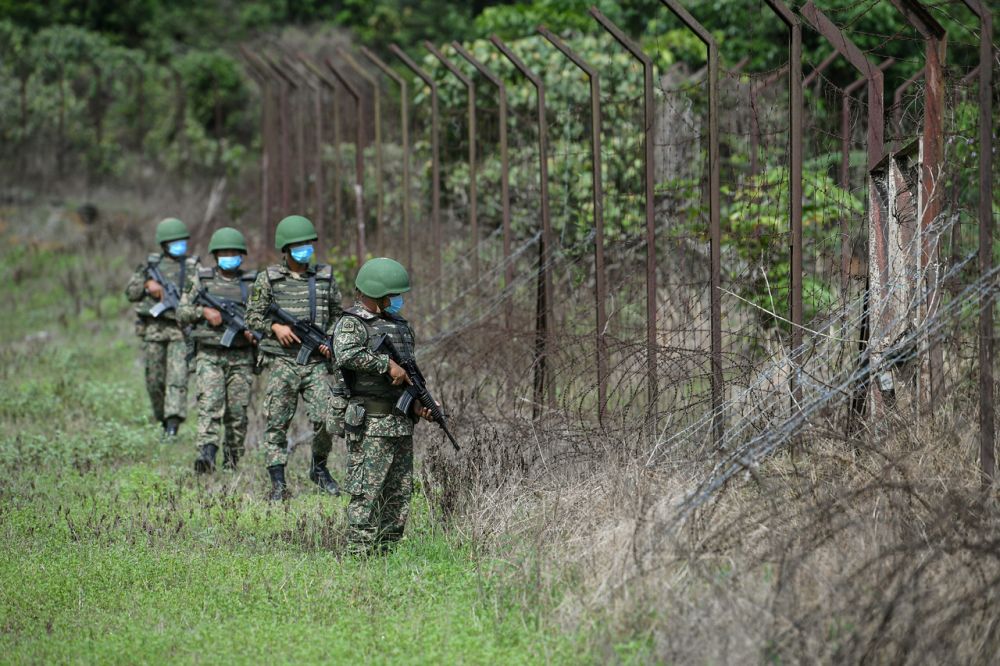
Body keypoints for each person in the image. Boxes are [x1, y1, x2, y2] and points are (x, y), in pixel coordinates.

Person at [333, 257, 435, 555]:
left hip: (400, 422)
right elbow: (346, 354)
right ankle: (359, 553)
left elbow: (407, 374)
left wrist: (417, 404)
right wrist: (385, 364)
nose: (397, 300)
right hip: (370, 423)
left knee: (399, 492)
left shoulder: (400, 326)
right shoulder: (351, 323)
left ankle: (386, 552)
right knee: (367, 491)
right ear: (377, 293)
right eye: (392, 294)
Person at [245, 215, 345, 501]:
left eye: (307, 244)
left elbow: (338, 315)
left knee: (327, 417)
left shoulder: (324, 277)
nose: (305, 249)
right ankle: (278, 482)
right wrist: (274, 327)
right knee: (276, 422)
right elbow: (252, 316)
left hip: (315, 362)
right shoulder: (269, 278)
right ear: (286, 248)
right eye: (298, 245)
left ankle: (319, 468)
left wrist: (329, 340)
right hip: (283, 362)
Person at [177, 227, 257, 473]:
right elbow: (181, 312)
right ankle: (206, 455)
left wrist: (254, 331)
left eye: (234, 252)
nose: (229, 257)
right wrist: (203, 312)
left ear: (241, 255)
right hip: (209, 354)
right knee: (209, 406)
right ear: (215, 254)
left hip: (241, 356)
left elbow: (264, 315)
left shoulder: (252, 283)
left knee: (237, 413)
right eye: (224, 253)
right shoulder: (201, 280)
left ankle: (232, 462)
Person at [124, 217, 199, 437]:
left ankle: (173, 426)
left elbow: (204, 294)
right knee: (154, 380)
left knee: (178, 379)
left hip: (180, 331)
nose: (179, 246)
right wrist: (148, 284)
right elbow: (131, 293)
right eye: (174, 242)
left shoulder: (193, 267)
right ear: (164, 244)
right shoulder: (151, 266)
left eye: (182, 241)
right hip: (154, 331)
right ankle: (162, 420)